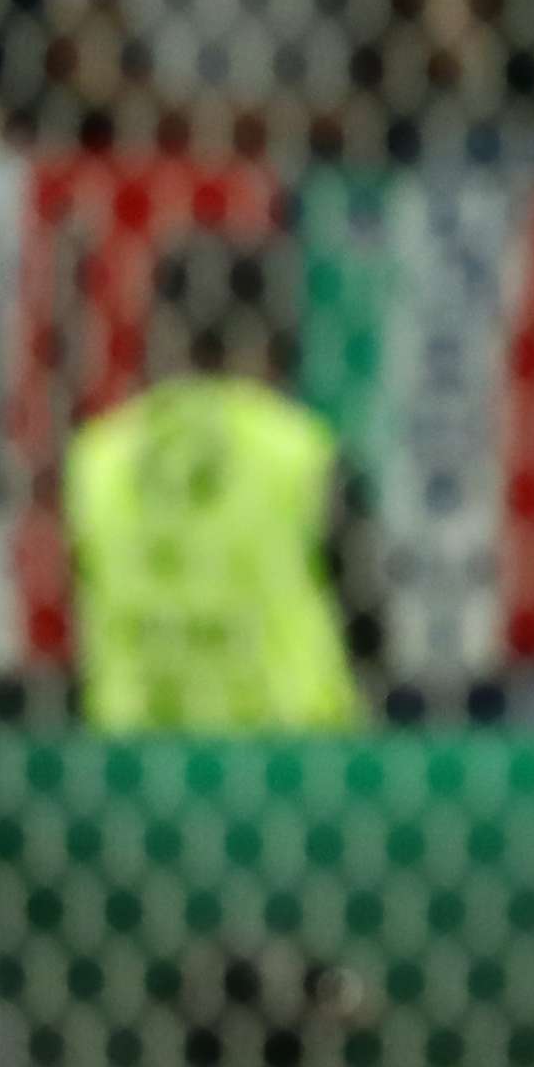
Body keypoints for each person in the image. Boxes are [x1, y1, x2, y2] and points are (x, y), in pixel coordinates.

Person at [64, 233, 374, 734]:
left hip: (134, 763)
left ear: (160, 332)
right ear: (265, 337)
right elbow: (369, 627)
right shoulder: (303, 452)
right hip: (294, 758)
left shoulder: (97, 458)